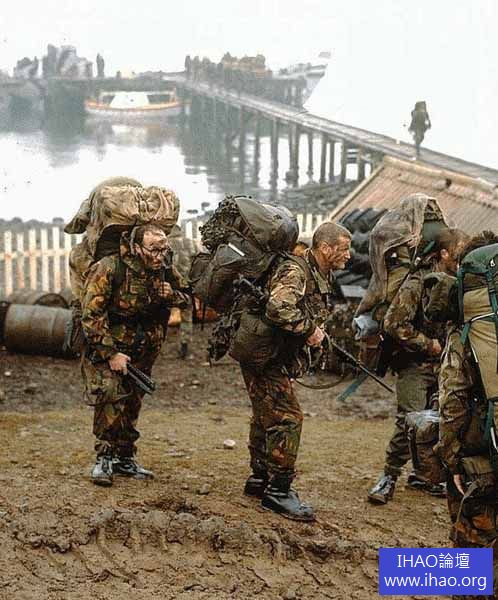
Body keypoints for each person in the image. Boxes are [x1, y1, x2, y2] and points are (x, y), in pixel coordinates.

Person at [241, 222, 352, 521]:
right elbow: (277, 308)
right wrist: (309, 330)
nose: (349, 255)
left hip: (269, 355)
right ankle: (278, 491)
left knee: (265, 414)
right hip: (264, 356)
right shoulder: (296, 271)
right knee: (287, 418)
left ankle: (259, 478)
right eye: (344, 249)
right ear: (325, 248)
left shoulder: (318, 272)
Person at [81, 224, 190, 486]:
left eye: (163, 249)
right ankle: (104, 458)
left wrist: (171, 294)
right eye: (153, 249)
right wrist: (111, 353)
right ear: (136, 247)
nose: (159, 256)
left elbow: (188, 298)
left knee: (133, 401)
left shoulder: (164, 268)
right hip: (110, 346)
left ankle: (125, 457)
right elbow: (91, 315)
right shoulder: (110, 267)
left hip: (144, 350)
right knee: (110, 395)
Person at [368, 227, 469, 504]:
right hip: (414, 364)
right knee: (409, 420)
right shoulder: (418, 283)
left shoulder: (459, 281)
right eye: (458, 252)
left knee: (438, 420)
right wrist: (428, 344)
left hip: (444, 366)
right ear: (444, 253)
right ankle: (389, 476)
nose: (462, 258)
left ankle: (423, 475)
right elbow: (393, 323)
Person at [436, 231, 498, 599]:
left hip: (482, 460)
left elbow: (452, 404)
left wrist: (451, 460)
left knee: (472, 548)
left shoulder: (467, 337)